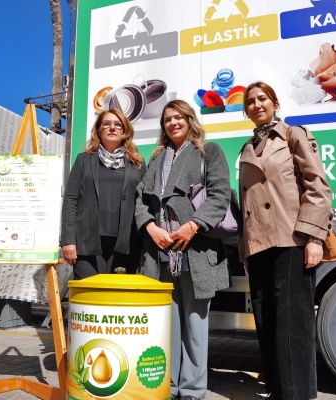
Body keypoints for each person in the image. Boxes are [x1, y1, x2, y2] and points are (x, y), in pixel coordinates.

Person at [239, 82, 332, 399]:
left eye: (262, 98)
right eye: (250, 102)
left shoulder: (293, 135)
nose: (256, 104)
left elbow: (317, 187)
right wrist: (246, 252)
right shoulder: (247, 148)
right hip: (260, 247)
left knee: (292, 327)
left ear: (275, 103)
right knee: (268, 326)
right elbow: (246, 204)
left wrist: (314, 237)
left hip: (292, 241)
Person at [135, 100, 231, 400]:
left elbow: (220, 193)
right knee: (168, 324)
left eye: (179, 118)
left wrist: (193, 225)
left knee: (194, 323)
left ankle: (191, 389)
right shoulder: (156, 159)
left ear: (190, 120)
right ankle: (170, 386)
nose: (173, 123)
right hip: (161, 251)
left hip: (196, 249)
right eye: (167, 119)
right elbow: (141, 200)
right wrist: (151, 227)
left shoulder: (208, 152)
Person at [61, 109, 146, 278]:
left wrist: (145, 246)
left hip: (126, 244)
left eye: (117, 124)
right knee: (90, 298)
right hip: (87, 243)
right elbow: (70, 200)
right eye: (106, 124)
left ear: (125, 130)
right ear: (99, 130)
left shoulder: (138, 164)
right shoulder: (84, 160)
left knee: (118, 299)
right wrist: (68, 240)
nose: (112, 128)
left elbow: (144, 203)